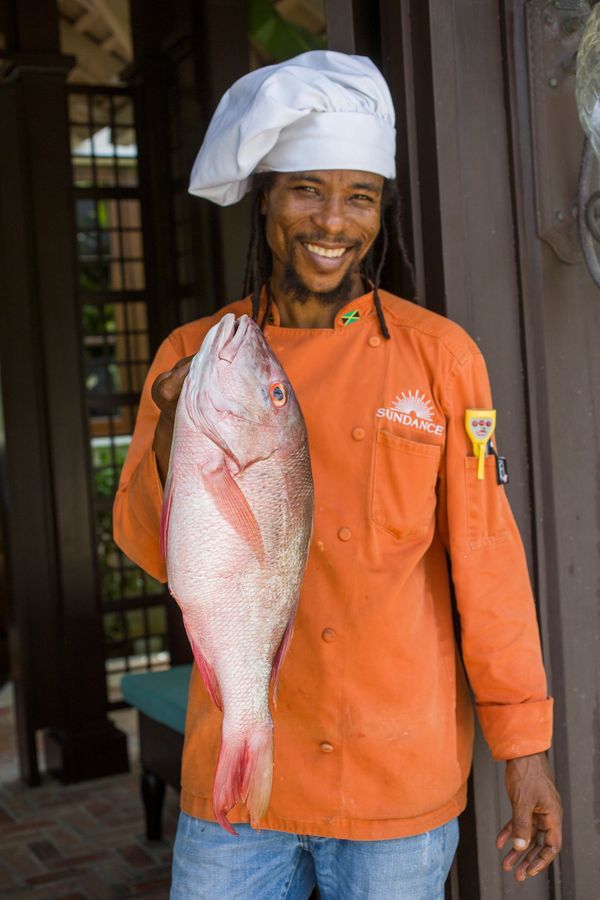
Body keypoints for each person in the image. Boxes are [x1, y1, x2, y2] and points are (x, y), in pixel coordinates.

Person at [113, 51, 562, 899]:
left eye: (359, 196)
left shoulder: (441, 359)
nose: (332, 220)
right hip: (239, 780)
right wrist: (176, 422)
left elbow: (490, 568)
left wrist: (525, 753)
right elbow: (151, 547)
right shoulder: (194, 359)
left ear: (380, 213)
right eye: (306, 190)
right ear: (267, 202)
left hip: (398, 780)